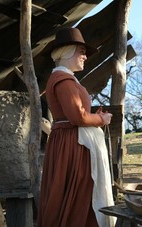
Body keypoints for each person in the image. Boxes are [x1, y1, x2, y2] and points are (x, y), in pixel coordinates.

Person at [38, 28, 115, 227]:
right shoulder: (64, 80)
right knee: (79, 192)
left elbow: (76, 114)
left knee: (75, 193)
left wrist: (94, 117)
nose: (84, 56)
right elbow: (77, 117)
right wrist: (102, 119)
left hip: (70, 141)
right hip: (72, 144)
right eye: (81, 51)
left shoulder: (66, 79)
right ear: (67, 52)